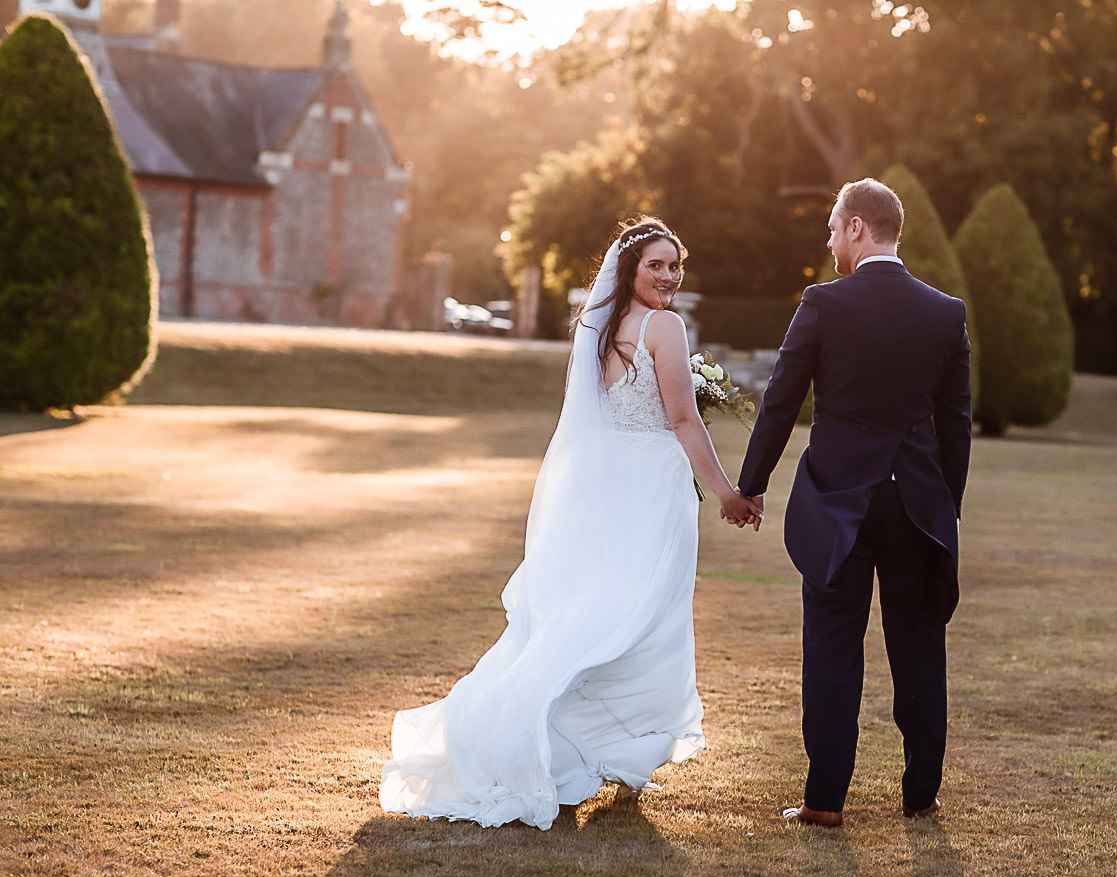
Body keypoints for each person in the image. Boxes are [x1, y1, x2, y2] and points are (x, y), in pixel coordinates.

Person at [380, 218, 760, 830]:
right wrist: (727, 492)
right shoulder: (664, 326)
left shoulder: (597, 327)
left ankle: (597, 748)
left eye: (675, 265)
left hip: (608, 488)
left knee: (607, 611)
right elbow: (684, 420)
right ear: (631, 271)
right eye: (656, 266)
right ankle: (609, 749)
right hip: (649, 491)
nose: (669, 276)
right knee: (645, 616)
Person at [737, 178, 972, 828]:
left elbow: (782, 398)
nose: (830, 241)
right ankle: (920, 794)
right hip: (917, 508)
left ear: (860, 228)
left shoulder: (823, 303)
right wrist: (942, 510)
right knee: (920, 649)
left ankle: (824, 801)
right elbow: (956, 425)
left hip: (837, 503)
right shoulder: (944, 312)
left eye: (835, 228)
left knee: (833, 646)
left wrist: (751, 483)